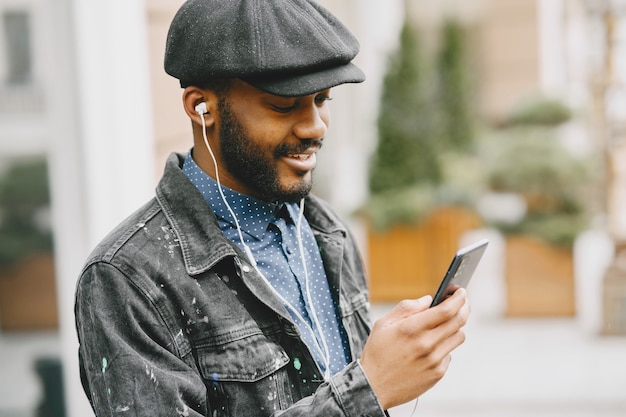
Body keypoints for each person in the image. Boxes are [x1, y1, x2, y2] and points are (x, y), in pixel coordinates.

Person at [74, 0, 471, 416]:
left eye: (322, 99)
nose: (314, 126)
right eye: (283, 105)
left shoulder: (325, 230)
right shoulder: (126, 280)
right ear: (200, 107)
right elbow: (363, 391)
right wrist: (368, 387)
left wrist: (392, 360)